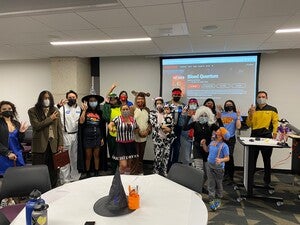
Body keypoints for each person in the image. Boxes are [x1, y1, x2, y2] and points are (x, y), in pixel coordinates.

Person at [28, 90, 64, 187]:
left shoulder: (55, 110)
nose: (46, 100)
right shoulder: (32, 111)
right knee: (38, 170)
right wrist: (50, 119)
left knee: (54, 170)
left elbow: (59, 128)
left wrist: (61, 143)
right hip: (40, 145)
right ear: (40, 99)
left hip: (53, 145)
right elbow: (36, 126)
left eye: (48, 98)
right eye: (44, 98)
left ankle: (52, 188)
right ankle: (38, 189)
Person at [246, 91, 279, 189]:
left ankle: (267, 181)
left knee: (266, 160)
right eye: (259, 97)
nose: (261, 98)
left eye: (263, 96)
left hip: (267, 136)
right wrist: (251, 114)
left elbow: (275, 123)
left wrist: (275, 133)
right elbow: (248, 124)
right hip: (254, 136)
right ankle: (250, 181)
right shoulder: (252, 109)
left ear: (267, 98)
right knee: (252, 160)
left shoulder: (273, 109)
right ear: (256, 98)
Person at [182, 106, 219, 189]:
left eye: (205, 115)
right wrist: (188, 117)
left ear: (209, 116)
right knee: (199, 170)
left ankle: (200, 187)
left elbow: (221, 130)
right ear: (198, 116)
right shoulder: (195, 124)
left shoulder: (211, 125)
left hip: (207, 150)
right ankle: (197, 188)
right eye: (201, 115)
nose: (203, 117)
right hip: (197, 148)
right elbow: (184, 128)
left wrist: (219, 119)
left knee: (206, 173)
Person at [201, 127, 230, 211]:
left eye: (218, 131)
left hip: (218, 168)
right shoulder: (212, 142)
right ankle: (211, 199)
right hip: (209, 165)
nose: (216, 131)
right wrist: (204, 144)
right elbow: (207, 150)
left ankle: (218, 198)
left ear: (221, 135)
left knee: (218, 184)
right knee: (211, 183)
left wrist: (221, 160)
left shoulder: (224, 146)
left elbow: (227, 158)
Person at [58, 90, 81, 184]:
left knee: (74, 157)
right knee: (64, 159)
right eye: (70, 97)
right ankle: (65, 180)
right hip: (65, 135)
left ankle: (75, 177)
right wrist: (58, 105)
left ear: (76, 98)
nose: (72, 99)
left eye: (73, 97)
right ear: (67, 98)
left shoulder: (79, 108)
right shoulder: (62, 108)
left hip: (75, 135)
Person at [78, 93, 105, 177]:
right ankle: (88, 172)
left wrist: (102, 138)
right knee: (88, 156)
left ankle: (96, 171)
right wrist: (84, 111)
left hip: (97, 136)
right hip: (87, 137)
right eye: (91, 101)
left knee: (96, 155)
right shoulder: (85, 111)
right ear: (88, 102)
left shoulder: (99, 112)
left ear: (97, 102)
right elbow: (81, 122)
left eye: (94, 101)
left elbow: (102, 126)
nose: (93, 102)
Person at [107, 104, 139, 174]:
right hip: (120, 144)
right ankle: (119, 178)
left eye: (126, 109)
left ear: (129, 110)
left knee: (128, 166)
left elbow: (136, 129)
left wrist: (139, 132)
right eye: (123, 109)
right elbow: (110, 124)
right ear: (121, 110)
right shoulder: (117, 118)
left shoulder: (133, 119)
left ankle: (126, 180)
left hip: (130, 144)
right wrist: (111, 128)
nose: (125, 111)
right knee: (123, 165)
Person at [0, 101, 28, 175]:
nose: (7, 110)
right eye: (4, 109)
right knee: (5, 180)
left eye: (9, 109)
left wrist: (21, 132)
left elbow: (20, 140)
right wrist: (8, 153)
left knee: (19, 177)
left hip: (17, 154)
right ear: (0, 111)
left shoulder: (16, 123)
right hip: (3, 156)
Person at [149, 97, 175, 177]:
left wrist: (170, 129)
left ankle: (164, 171)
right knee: (158, 156)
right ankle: (156, 171)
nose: (159, 105)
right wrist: (163, 127)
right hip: (158, 138)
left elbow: (172, 123)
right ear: (155, 105)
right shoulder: (152, 113)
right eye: (157, 103)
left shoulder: (167, 112)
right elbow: (153, 124)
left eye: (161, 103)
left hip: (167, 138)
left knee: (166, 156)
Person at [130, 91, 151, 175]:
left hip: (144, 137)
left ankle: (140, 171)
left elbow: (150, 122)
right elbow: (131, 121)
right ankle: (133, 173)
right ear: (136, 99)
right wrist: (138, 131)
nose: (140, 100)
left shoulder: (147, 109)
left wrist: (147, 131)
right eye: (138, 98)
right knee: (135, 156)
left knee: (141, 156)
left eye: (142, 98)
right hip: (134, 137)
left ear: (144, 100)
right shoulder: (132, 108)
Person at [221, 100, 242, 184]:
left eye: (230, 105)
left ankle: (230, 177)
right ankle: (224, 175)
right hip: (221, 138)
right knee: (222, 157)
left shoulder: (235, 115)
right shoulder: (222, 114)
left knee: (229, 157)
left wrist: (238, 116)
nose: (228, 106)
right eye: (227, 105)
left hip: (230, 139)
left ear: (233, 106)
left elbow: (238, 126)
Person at [166, 88, 185, 170]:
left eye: (178, 95)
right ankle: (167, 166)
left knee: (177, 148)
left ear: (180, 95)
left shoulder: (183, 105)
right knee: (168, 147)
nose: (176, 96)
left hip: (179, 129)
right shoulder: (167, 104)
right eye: (175, 95)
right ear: (172, 95)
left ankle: (174, 167)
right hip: (168, 128)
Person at [102, 92, 122, 173]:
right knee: (112, 152)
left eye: (114, 99)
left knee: (121, 153)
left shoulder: (121, 107)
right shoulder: (108, 108)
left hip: (121, 134)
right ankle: (114, 170)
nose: (113, 101)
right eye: (111, 100)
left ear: (117, 100)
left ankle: (121, 169)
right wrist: (106, 104)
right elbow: (106, 118)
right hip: (111, 134)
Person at [178, 98, 199, 165]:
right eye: (191, 104)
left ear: (197, 105)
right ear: (188, 105)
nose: (193, 105)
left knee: (195, 158)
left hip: (196, 139)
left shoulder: (200, 113)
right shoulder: (185, 113)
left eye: (194, 104)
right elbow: (181, 124)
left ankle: (194, 172)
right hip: (185, 137)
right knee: (186, 158)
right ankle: (186, 172)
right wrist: (183, 115)